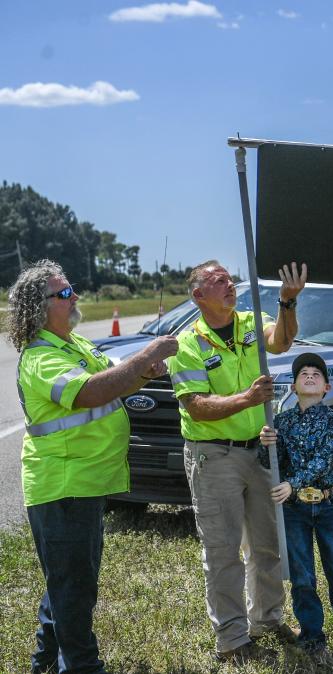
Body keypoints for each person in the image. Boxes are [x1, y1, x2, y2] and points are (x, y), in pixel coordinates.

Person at [9, 259, 178, 674]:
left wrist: (142, 373)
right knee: (74, 592)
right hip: (63, 487)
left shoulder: (76, 346)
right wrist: (148, 353)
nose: (75, 297)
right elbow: (89, 393)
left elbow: (114, 384)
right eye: (64, 293)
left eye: (72, 289)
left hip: (83, 485)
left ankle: (44, 665)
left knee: (66, 586)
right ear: (39, 306)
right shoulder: (40, 358)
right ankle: (83, 666)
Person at [168, 259, 306, 663]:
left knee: (267, 544)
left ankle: (267, 618)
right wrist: (248, 398)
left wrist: (287, 303)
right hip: (214, 456)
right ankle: (231, 638)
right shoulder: (188, 343)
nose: (230, 285)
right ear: (198, 295)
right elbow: (196, 407)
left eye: (230, 278)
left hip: (258, 448)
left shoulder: (249, 320)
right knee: (223, 550)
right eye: (218, 281)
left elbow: (281, 342)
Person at [259, 353, 333, 657]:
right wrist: (266, 442)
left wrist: (293, 483)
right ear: (294, 387)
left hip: (327, 506)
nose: (309, 376)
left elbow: (328, 460)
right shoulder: (281, 422)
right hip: (294, 510)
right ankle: (311, 638)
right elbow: (271, 463)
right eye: (303, 374)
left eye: (316, 374)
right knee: (302, 578)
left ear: (327, 388)